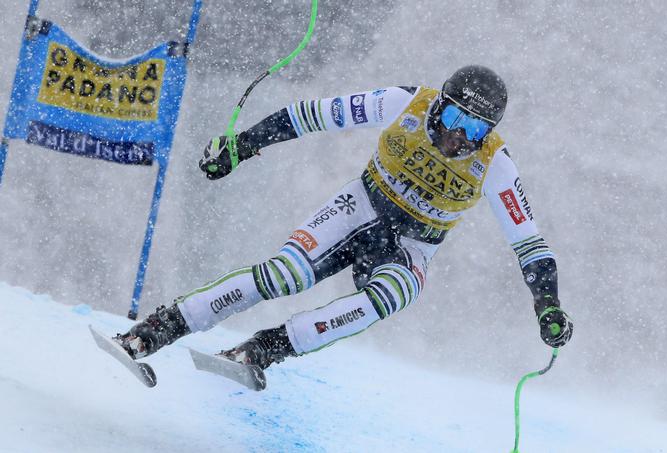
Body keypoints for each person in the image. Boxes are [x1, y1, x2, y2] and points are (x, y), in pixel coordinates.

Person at [115, 65, 573, 372]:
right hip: (361, 207)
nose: (458, 135)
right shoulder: (405, 103)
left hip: (413, 246)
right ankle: (159, 329)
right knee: (284, 275)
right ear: (439, 104)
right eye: (455, 116)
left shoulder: (495, 163)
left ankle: (263, 349)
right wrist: (242, 146)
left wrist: (546, 305)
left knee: (392, 295)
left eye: (475, 128)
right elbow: (311, 116)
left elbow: (530, 245)